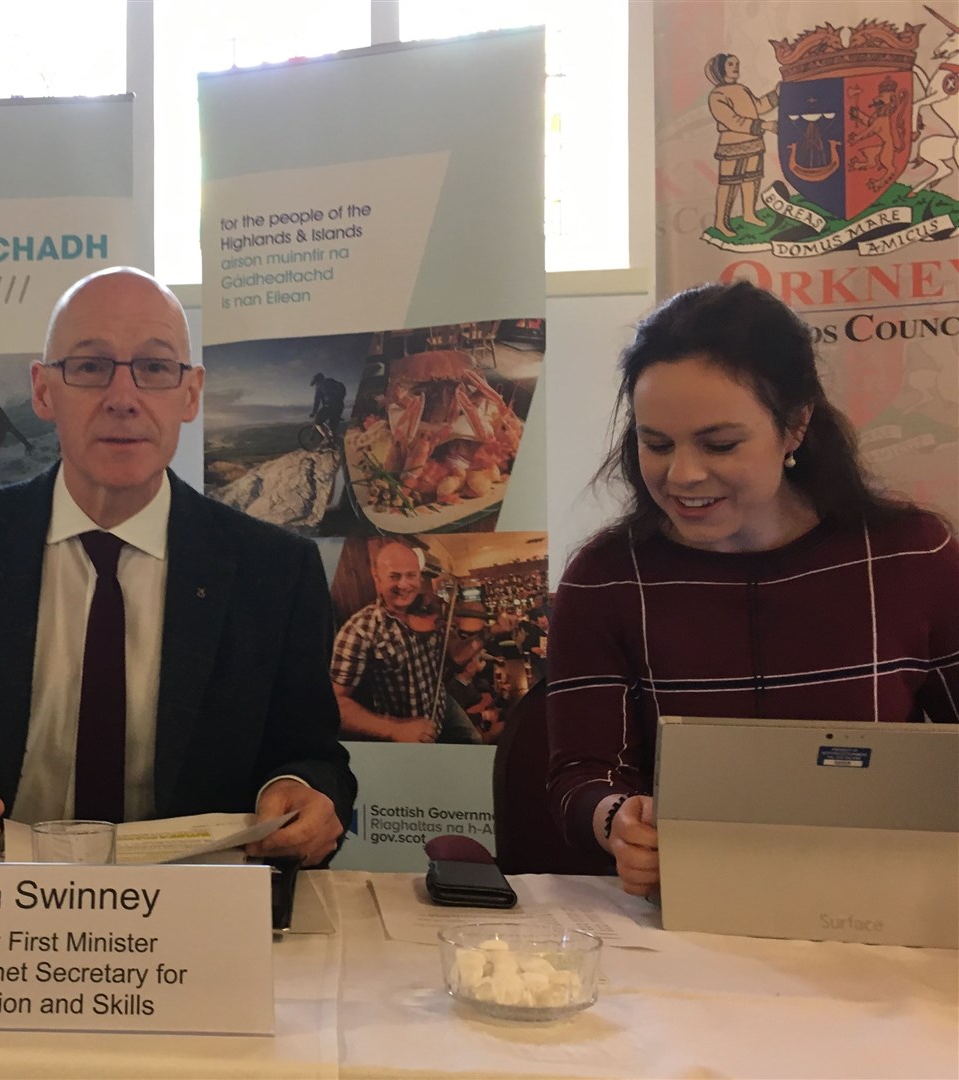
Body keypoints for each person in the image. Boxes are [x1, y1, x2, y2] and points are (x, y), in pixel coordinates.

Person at [0, 267, 354, 863]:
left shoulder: (276, 569)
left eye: (156, 368)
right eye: (89, 367)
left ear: (190, 394)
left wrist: (300, 795)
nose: (123, 398)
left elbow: (318, 760)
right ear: (42, 391)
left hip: (195, 913)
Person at [546, 281, 958, 897]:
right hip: (687, 917)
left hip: (878, 915)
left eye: (720, 444)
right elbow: (580, 773)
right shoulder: (606, 577)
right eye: (655, 444)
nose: (682, 474)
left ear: (795, 427)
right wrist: (618, 822)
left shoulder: (910, 555)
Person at [329, 536, 481, 746]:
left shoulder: (431, 613)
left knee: (475, 742)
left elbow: (455, 657)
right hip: (405, 728)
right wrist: (394, 729)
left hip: (441, 704)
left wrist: (487, 634)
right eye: (394, 576)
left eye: (411, 575)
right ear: (377, 578)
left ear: (419, 577)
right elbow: (332, 703)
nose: (404, 584)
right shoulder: (361, 628)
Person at [704, 53, 779, 237]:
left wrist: (775, 95)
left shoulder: (742, 89)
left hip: (753, 142)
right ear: (721, 68)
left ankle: (749, 214)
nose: (735, 67)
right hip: (732, 144)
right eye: (730, 64)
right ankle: (721, 222)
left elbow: (758, 107)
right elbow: (732, 121)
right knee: (728, 183)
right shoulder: (717, 95)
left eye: (737, 64)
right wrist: (764, 125)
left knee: (751, 179)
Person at [309, 372, 346, 438]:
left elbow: (317, 401)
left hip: (329, 406)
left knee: (317, 422)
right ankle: (335, 442)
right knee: (332, 428)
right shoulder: (333, 382)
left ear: (317, 380)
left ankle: (327, 439)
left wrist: (314, 412)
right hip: (340, 406)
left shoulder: (319, 386)